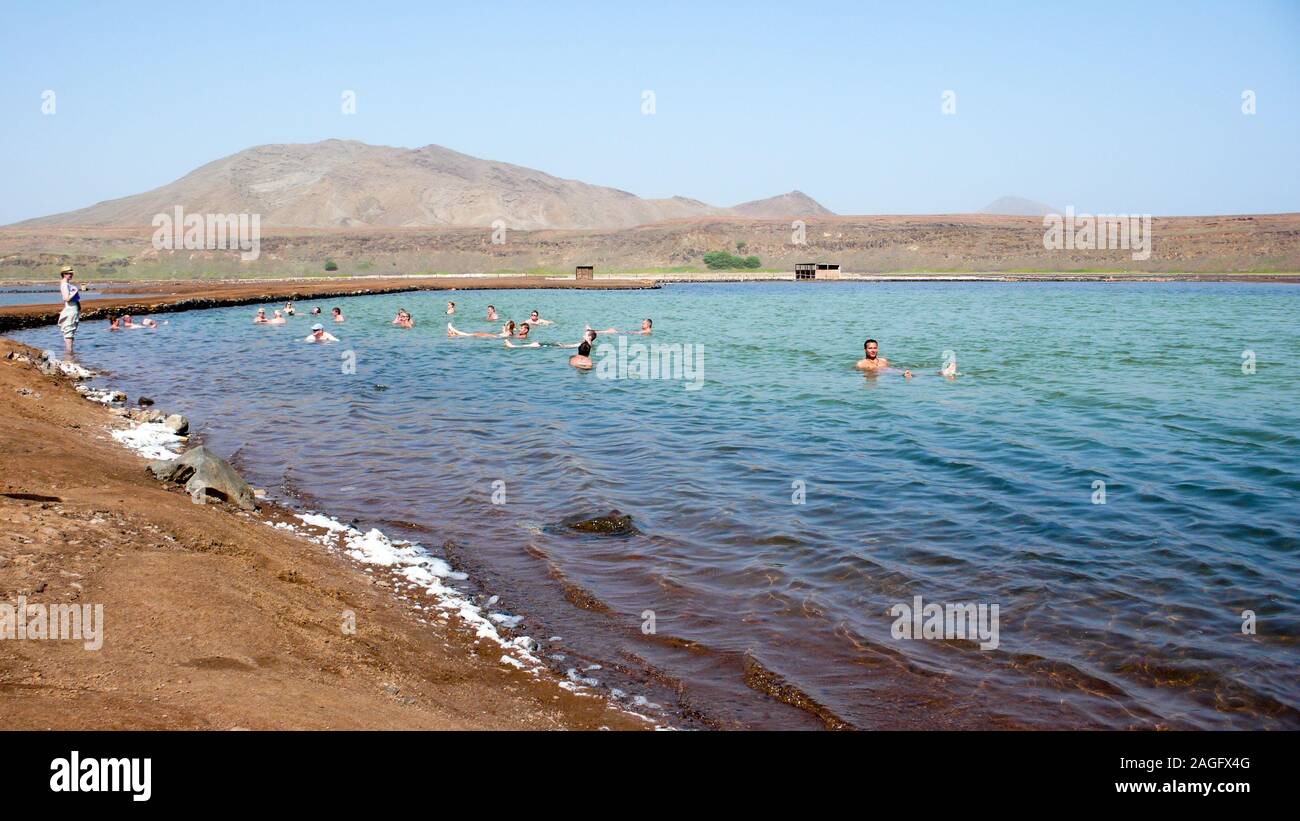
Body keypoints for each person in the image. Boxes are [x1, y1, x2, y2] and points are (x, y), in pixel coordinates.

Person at [57, 265, 80, 355]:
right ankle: (69, 355)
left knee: (70, 332)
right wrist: (74, 292)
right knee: (69, 333)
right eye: (67, 273)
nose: (70, 275)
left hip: (73, 309)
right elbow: (66, 298)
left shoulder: (66, 284)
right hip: (70, 309)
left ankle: (70, 354)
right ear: (63, 274)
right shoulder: (64, 285)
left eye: (71, 273)